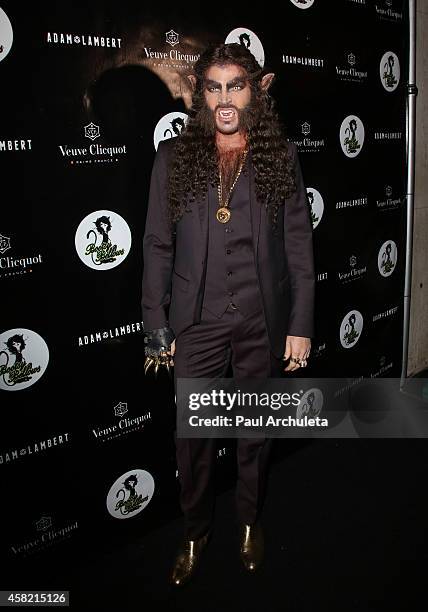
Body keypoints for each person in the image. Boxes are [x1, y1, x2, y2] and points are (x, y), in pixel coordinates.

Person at [141, 42, 315, 587]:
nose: (223, 97)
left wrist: (300, 324)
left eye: (234, 85)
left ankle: (247, 522)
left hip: (263, 320)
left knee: (254, 432)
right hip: (197, 323)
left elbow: (298, 246)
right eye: (212, 86)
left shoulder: (278, 155)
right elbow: (156, 246)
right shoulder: (174, 158)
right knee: (191, 439)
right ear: (201, 95)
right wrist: (155, 325)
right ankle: (195, 531)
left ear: (256, 90)